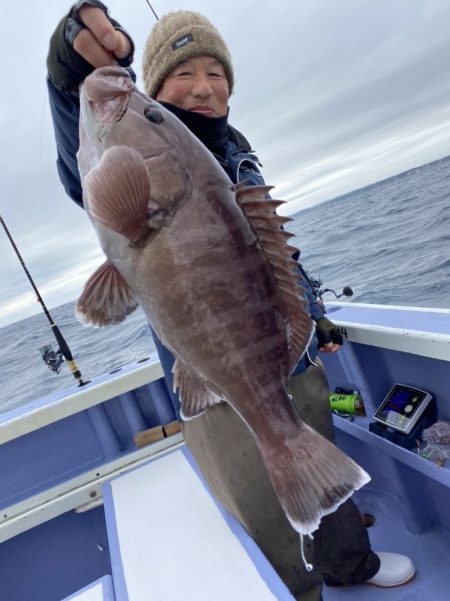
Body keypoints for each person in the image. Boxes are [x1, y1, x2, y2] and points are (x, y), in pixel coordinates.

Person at [46, 3, 416, 599]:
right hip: (209, 376)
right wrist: (67, 77)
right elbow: (77, 167)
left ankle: (350, 564)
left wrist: (313, 316)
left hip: (283, 353)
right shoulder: (133, 153)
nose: (203, 87)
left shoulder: (235, 151)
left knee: (312, 447)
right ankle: (297, 590)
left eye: (216, 74)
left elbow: (276, 254)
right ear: (155, 87)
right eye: (181, 76)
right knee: (257, 501)